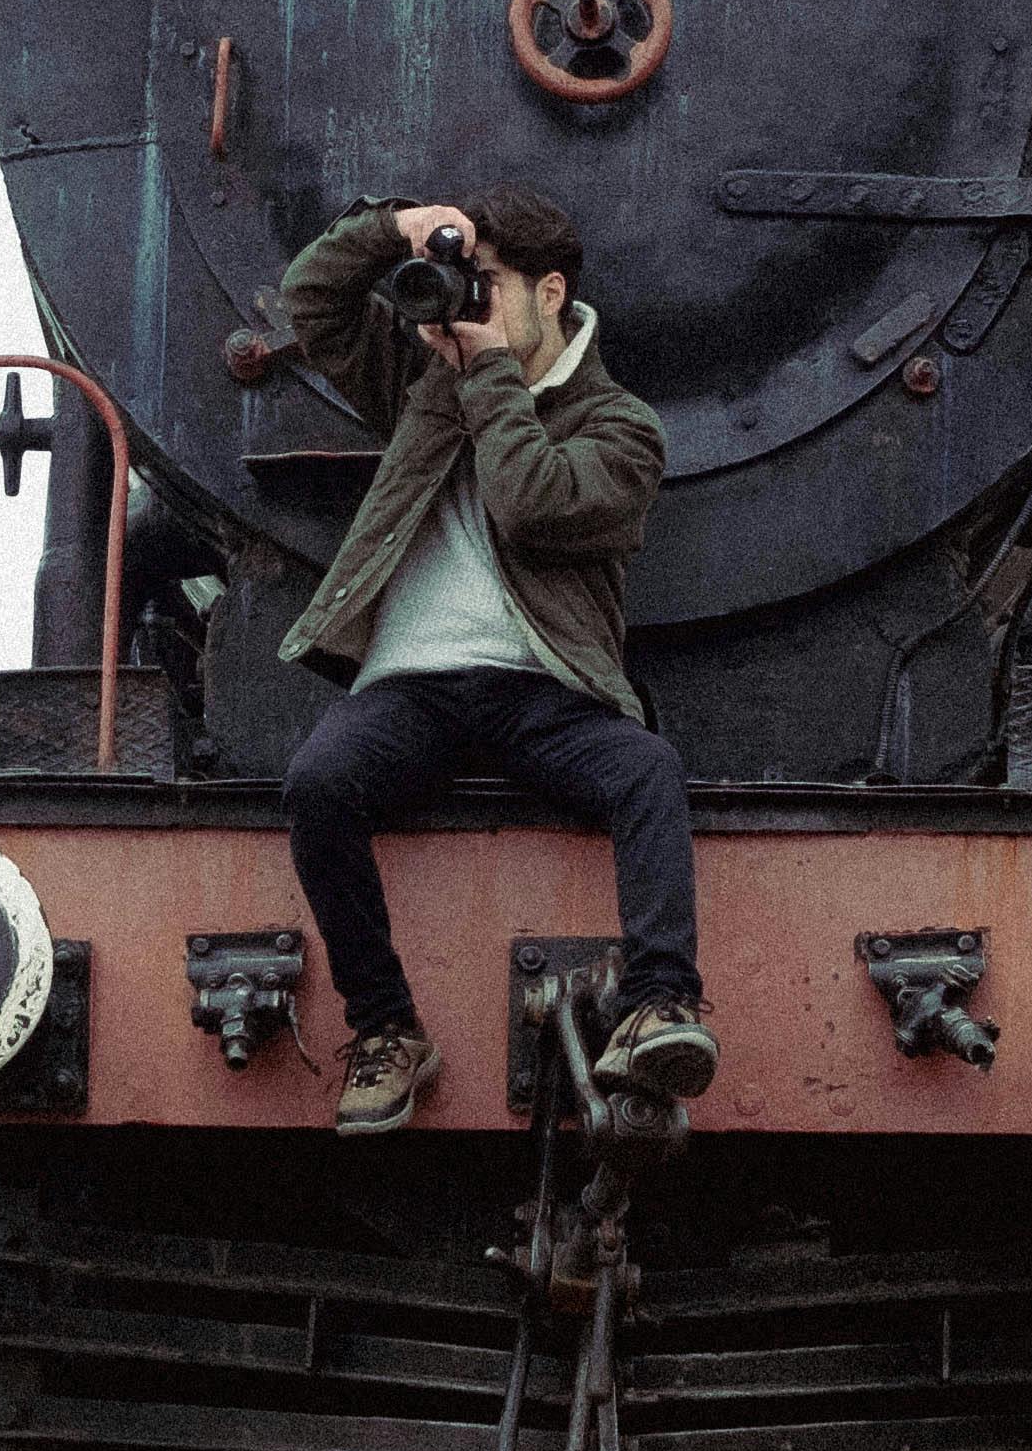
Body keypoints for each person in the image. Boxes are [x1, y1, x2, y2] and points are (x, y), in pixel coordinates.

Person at [268, 187, 706, 1134]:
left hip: (544, 689)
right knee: (317, 784)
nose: (467, 301)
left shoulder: (623, 425)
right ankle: (387, 1030)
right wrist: (397, 233)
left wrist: (490, 375)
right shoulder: (421, 378)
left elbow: (530, 503)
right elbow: (310, 301)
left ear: (551, 293)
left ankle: (660, 1004)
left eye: (491, 284)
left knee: (648, 773)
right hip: (411, 687)